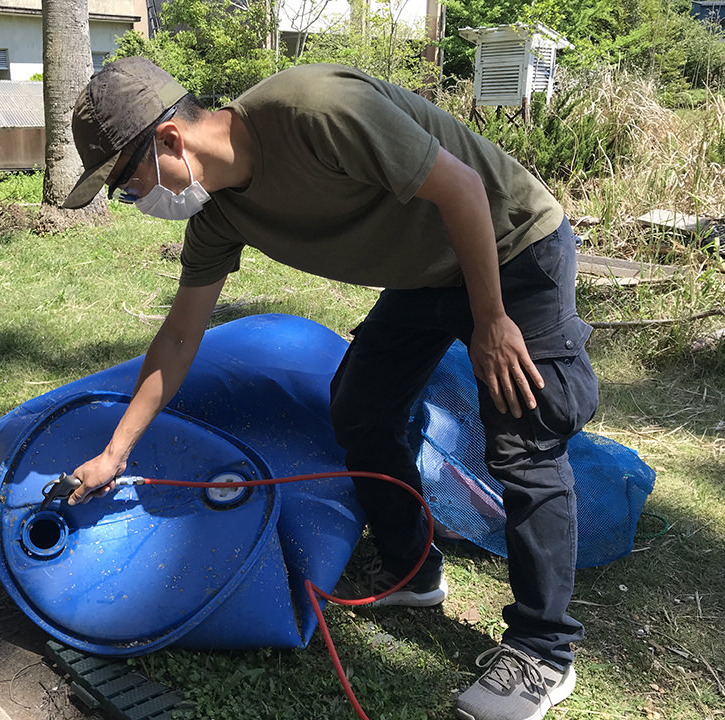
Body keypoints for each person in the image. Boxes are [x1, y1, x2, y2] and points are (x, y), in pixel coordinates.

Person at [61, 56, 599, 720]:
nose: (134, 200)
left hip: (510, 244)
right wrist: (116, 453)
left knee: (524, 436)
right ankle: (413, 570)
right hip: (424, 275)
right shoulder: (219, 217)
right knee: (360, 411)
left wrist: (491, 319)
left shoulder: (314, 111)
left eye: (127, 182)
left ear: (170, 140)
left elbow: (462, 187)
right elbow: (177, 338)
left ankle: (544, 654)